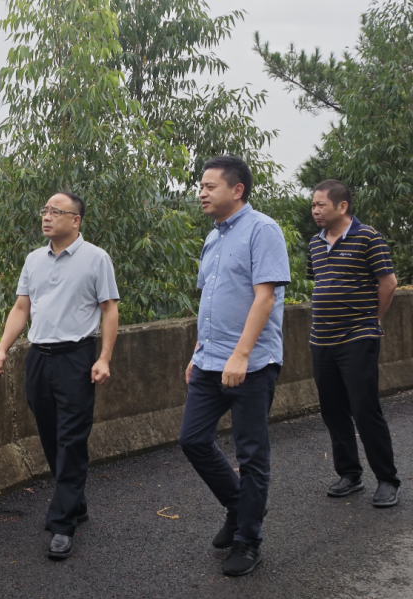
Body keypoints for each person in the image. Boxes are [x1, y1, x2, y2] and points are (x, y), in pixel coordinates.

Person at [0, 191, 119, 560]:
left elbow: (109, 310)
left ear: (75, 220)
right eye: (45, 210)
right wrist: (2, 349)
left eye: (56, 212)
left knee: (72, 439)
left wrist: (104, 358)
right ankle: (74, 502)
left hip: (76, 357)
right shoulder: (34, 260)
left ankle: (63, 523)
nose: (47, 217)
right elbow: (21, 307)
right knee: (49, 435)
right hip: (38, 358)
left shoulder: (96, 259)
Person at [178, 156, 290, 577]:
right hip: (209, 359)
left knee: (252, 453)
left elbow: (264, 297)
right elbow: (211, 301)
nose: (201, 192)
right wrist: (197, 351)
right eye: (200, 186)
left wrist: (241, 354)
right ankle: (238, 504)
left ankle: (248, 538)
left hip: (252, 362)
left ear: (237, 189)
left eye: (209, 186)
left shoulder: (263, 230)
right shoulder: (213, 237)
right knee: (192, 439)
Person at [307, 179, 400, 507]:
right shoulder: (315, 244)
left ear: (342, 206)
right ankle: (350, 474)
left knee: (364, 409)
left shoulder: (368, 237)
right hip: (321, 340)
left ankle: (387, 479)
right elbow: (320, 282)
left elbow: (388, 283)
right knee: (333, 410)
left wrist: (374, 320)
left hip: (357, 337)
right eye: (313, 204)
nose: (315, 210)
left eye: (321, 204)